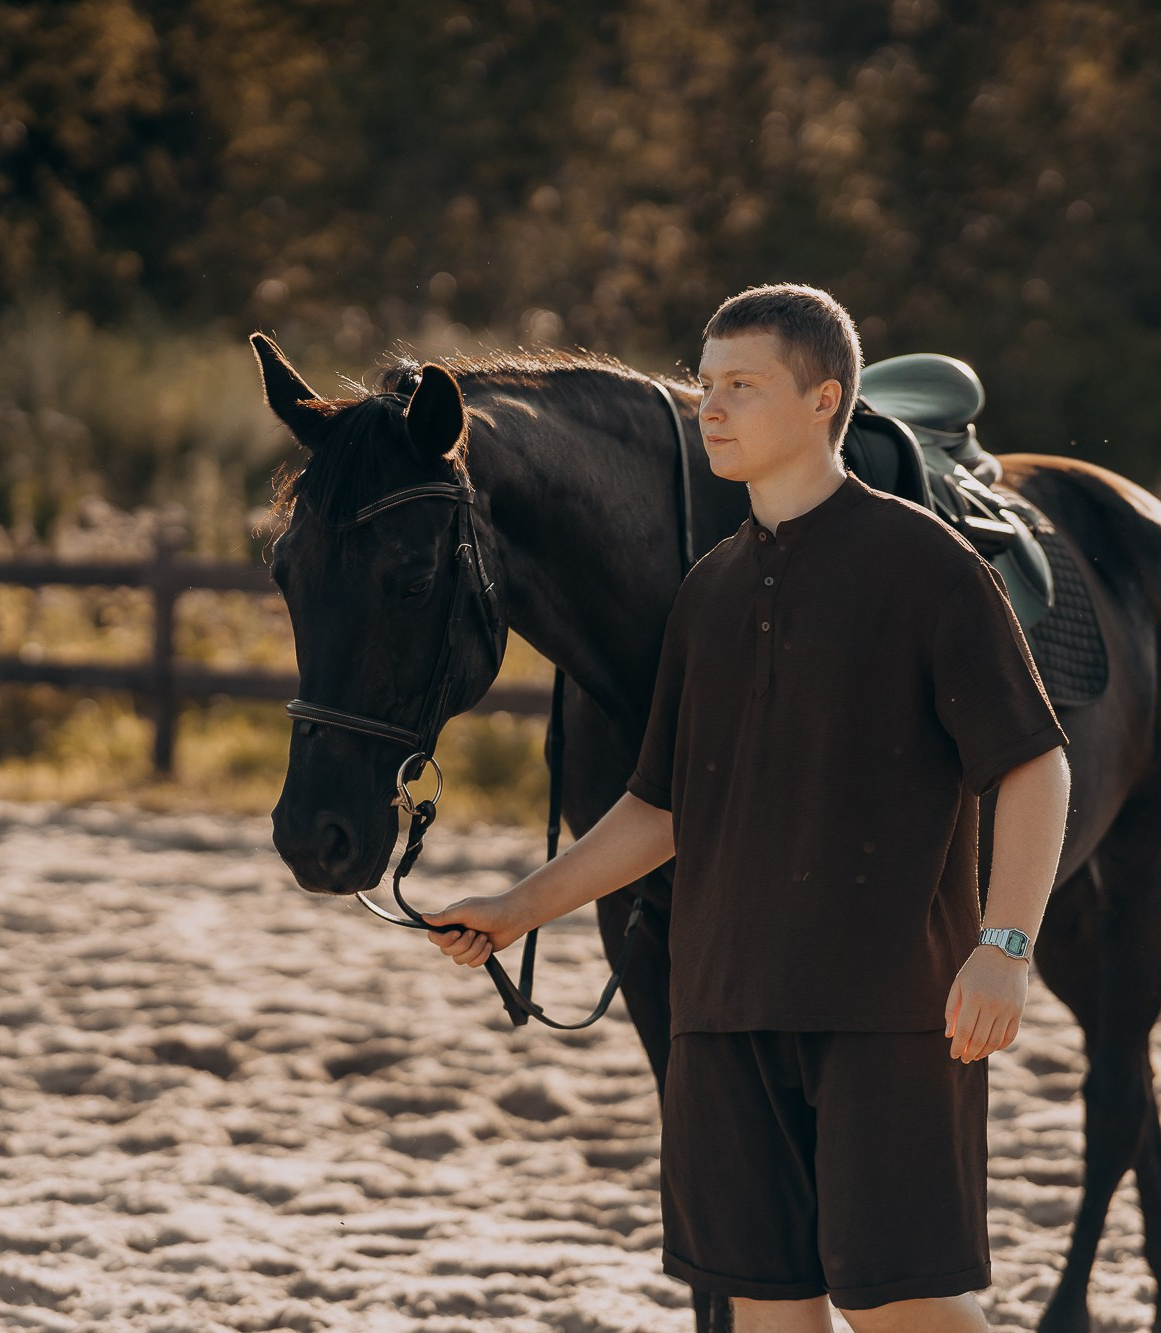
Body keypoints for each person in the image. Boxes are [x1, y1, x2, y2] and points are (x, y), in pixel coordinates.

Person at [421, 282, 1072, 1333]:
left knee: (898, 1309)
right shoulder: (708, 590)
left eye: (741, 385)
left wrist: (1003, 944)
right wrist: (518, 906)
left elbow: (1034, 766)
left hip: (885, 1009)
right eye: (704, 384)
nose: (710, 409)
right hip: (718, 1013)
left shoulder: (926, 566)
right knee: (767, 1312)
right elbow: (661, 807)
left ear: (823, 400)